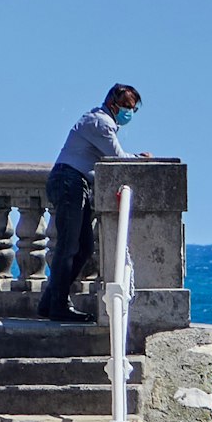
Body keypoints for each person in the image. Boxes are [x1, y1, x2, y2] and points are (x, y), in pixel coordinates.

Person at [37, 84, 151, 322]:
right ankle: (58, 304)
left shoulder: (100, 120)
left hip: (76, 183)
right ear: (113, 104)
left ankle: (49, 301)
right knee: (68, 247)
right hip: (70, 182)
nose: (129, 112)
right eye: (127, 107)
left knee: (85, 248)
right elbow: (117, 158)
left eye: (133, 109)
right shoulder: (102, 123)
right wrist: (140, 158)